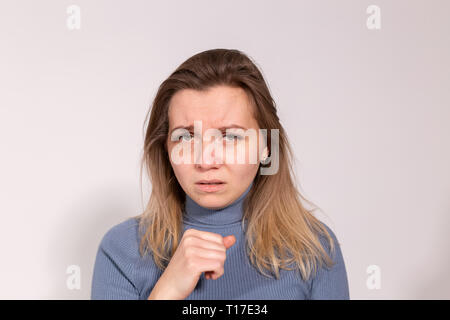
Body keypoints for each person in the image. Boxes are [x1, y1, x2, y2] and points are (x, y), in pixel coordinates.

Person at [90, 48, 350, 300]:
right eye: (186, 137)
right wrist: (166, 292)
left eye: (230, 136)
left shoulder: (315, 249)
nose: (205, 161)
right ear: (166, 148)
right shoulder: (121, 250)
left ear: (266, 147)